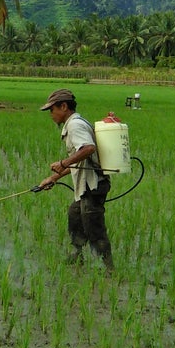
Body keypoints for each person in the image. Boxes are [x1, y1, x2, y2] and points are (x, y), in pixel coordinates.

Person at [37, 88, 114, 271]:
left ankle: (110, 269)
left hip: (93, 186)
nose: (51, 114)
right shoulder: (74, 123)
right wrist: (53, 178)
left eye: (52, 109)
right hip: (85, 186)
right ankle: (77, 255)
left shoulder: (75, 125)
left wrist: (63, 162)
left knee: (94, 228)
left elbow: (88, 148)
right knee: (75, 216)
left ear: (63, 106)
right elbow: (79, 160)